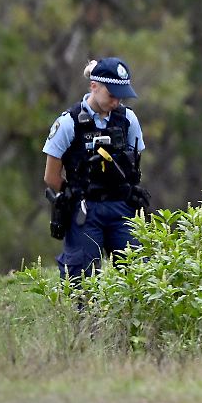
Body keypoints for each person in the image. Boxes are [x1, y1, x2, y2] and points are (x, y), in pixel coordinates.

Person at [42, 57, 148, 281]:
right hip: (85, 209)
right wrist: (71, 192)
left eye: (121, 96)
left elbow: (133, 164)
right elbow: (51, 176)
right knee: (82, 278)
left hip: (122, 206)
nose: (116, 102)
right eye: (112, 95)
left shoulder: (128, 120)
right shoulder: (68, 123)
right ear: (94, 86)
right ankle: (86, 316)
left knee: (140, 273)